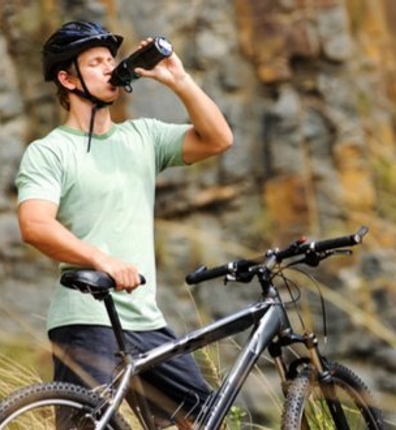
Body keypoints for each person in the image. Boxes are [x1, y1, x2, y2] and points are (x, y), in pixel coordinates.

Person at [15, 20, 234, 428]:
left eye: (111, 60)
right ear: (67, 78)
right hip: (86, 317)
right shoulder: (49, 151)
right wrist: (103, 260)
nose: (109, 67)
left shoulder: (143, 137)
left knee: (206, 421)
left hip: (145, 319)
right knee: (88, 424)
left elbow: (218, 139)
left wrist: (179, 80)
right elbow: (35, 225)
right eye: (95, 62)